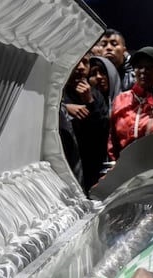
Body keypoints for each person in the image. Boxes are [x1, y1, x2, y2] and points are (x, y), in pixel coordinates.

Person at [59, 52, 107, 193]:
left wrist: (90, 102)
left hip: (90, 166)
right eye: (76, 61)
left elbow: (102, 131)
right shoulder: (57, 93)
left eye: (85, 62)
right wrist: (64, 109)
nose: (80, 67)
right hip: (65, 164)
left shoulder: (95, 95)